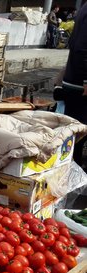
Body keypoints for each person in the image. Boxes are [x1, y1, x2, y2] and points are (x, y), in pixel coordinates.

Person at [62, 2, 87, 169]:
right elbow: (81, 49)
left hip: (76, 81)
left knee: (76, 134)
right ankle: (72, 178)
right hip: (80, 86)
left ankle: (73, 175)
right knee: (76, 135)